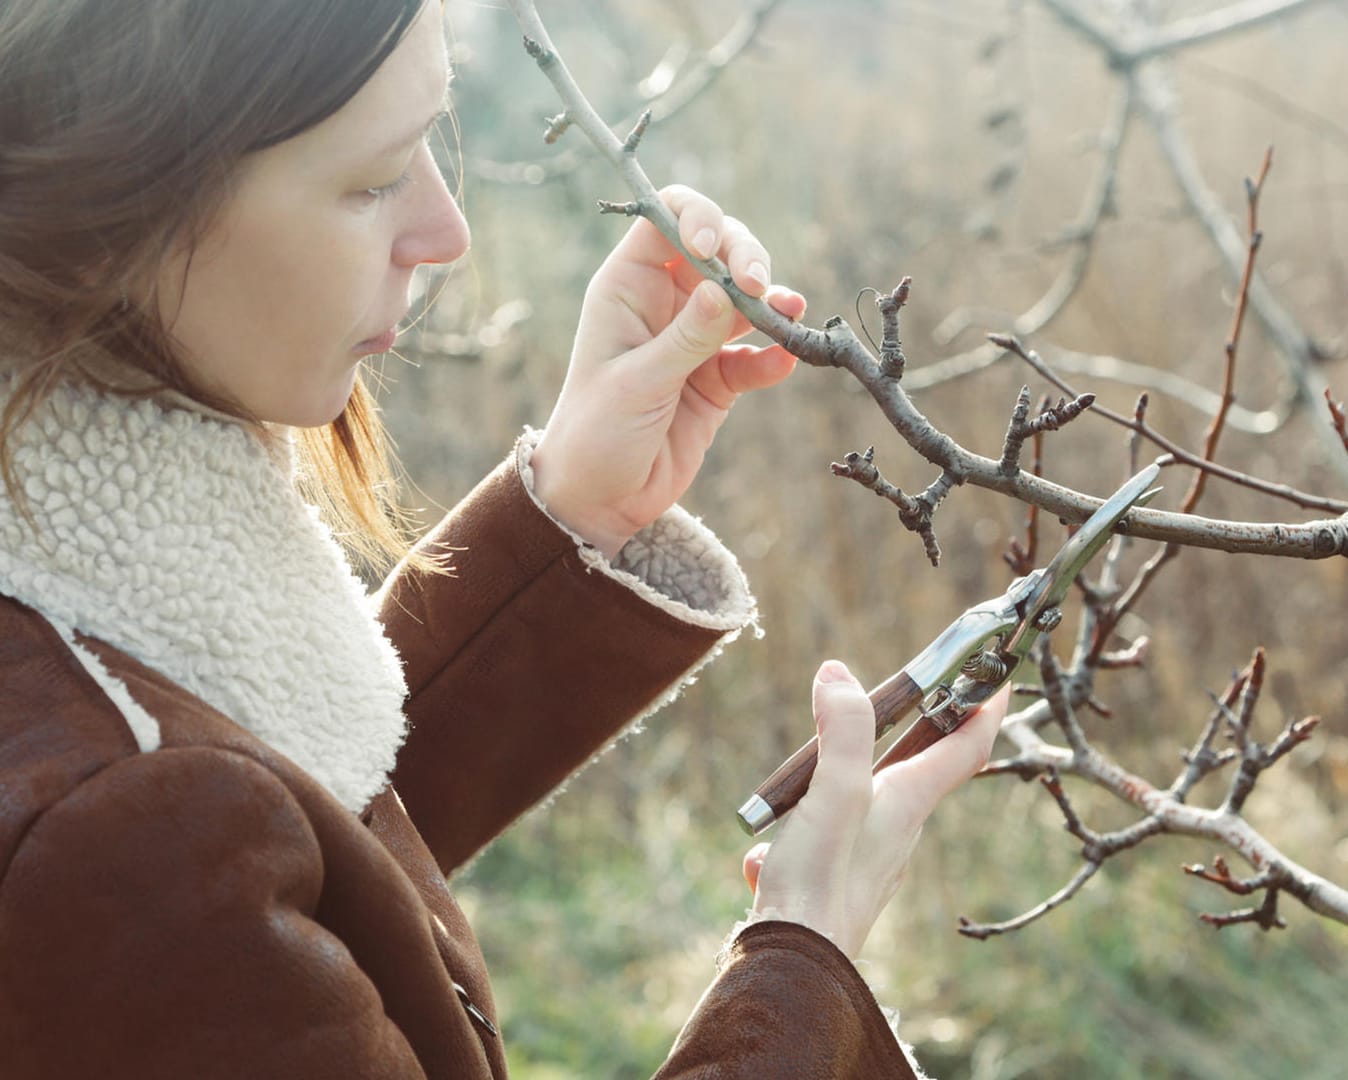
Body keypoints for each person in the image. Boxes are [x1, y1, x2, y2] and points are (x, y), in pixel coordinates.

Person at [0, 2, 1006, 1077]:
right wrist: (805, 959)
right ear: (116, 197)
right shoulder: (109, 838)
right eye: (375, 177)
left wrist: (575, 512)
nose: (445, 232)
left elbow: (287, 868)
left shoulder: (87, 638)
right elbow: (190, 864)